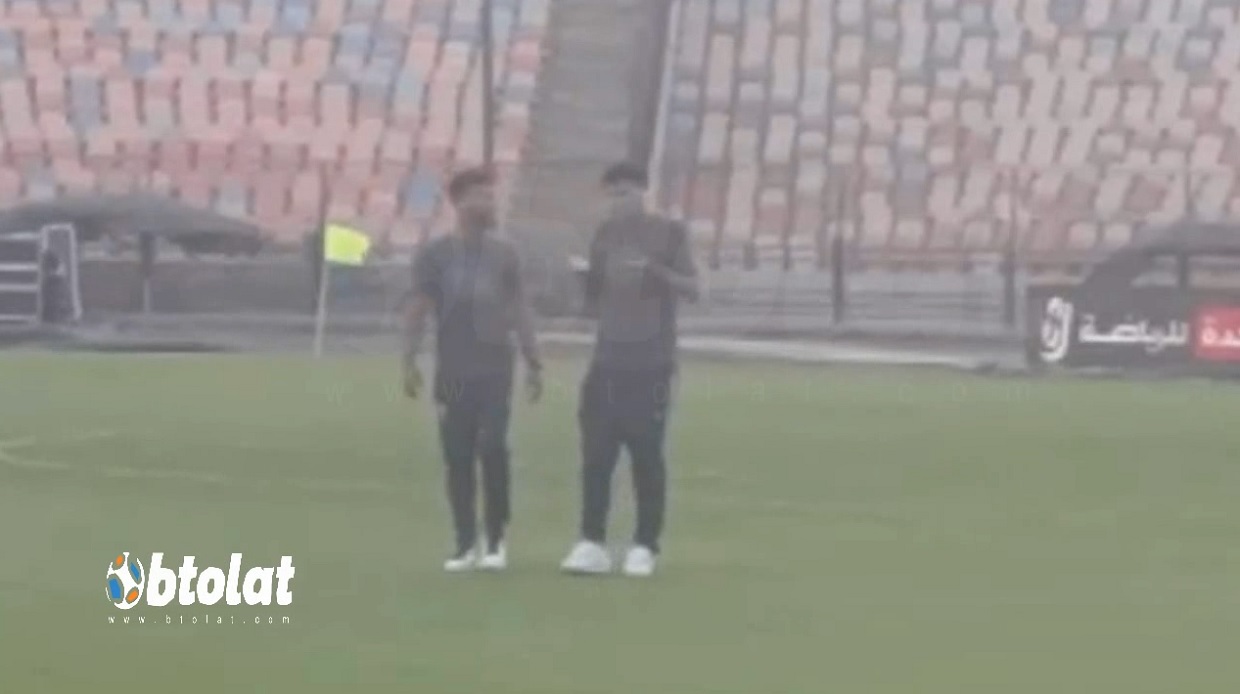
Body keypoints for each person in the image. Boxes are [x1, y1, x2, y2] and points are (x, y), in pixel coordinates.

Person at [560, 162, 700, 578]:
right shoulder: (605, 236)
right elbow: (593, 300)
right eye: (612, 195)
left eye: (625, 193)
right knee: (596, 453)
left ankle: (644, 545)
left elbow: (693, 288)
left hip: (651, 361)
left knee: (646, 453)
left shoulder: (669, 234)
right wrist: (582, 280)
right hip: (608, 358)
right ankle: (592, 540)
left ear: (642, 193)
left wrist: (656, 272)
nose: (618, 202)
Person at [403, 167, 544, 573]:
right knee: (458, 455)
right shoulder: (436, 256)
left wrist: (533, 359)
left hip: (495, 368)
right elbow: (419, 307)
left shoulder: (505, 255)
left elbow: (518, 307)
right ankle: (465, 542)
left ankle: (495, 538)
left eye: (491, 195)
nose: (490, 203)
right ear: (459, 202)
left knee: (493, 447)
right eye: (481, 196)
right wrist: (409, 358)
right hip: (453, 368)